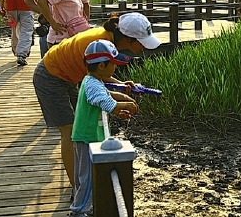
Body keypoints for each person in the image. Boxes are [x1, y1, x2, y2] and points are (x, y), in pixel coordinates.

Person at [33, 12, 160, 193]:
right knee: (69, 131)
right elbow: (95, 83)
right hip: (50, 75)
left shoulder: (107, 40)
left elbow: (98, 75)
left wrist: (121, 85)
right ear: (128, 39)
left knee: (79, 126)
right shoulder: (97, 42)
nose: (142, 48)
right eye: (141, 43)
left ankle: (83, 178)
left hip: (69, 77)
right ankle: (77, 188)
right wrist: (120, 98)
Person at [67, 40, 139, 217]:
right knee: (88, 178)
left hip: (88, 136)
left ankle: (85, 206)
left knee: (86, 176)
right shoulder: (92, 84)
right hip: (87, 138)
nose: (115, 67)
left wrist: (123, 98)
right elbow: (105, 102)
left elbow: (107, 96)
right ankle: (77, 214)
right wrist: (125, 106)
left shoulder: (93, 80)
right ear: (101, 65)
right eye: (113, 63)